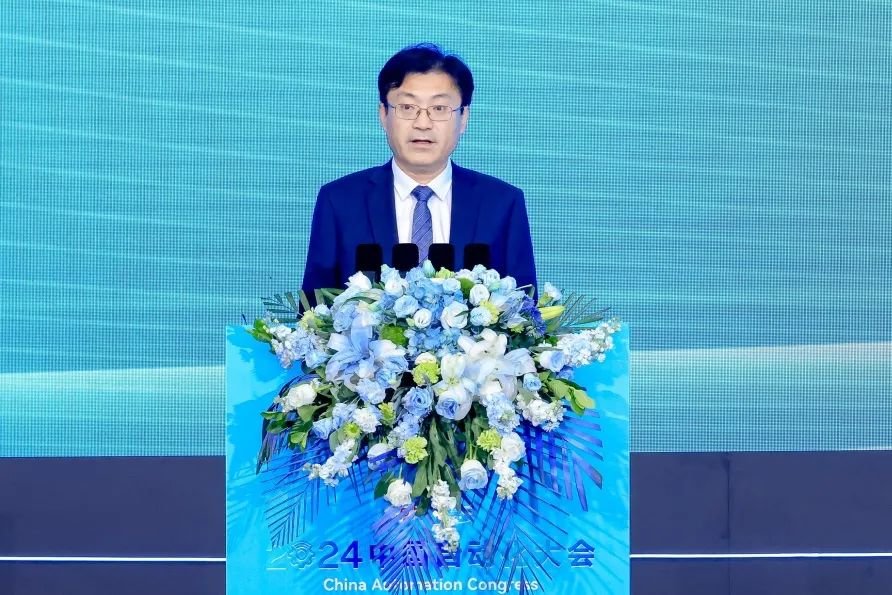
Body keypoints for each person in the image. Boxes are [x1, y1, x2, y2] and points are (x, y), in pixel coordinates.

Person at [301, 43, 536, 296]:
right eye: (407, 108)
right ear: (383, 115)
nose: (422, 123)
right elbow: (314, 310)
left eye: (439, 109)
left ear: (464, 118)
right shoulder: (340, 201)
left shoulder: (502, 203)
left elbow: (524, 310)